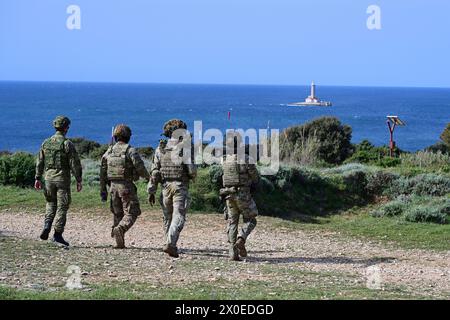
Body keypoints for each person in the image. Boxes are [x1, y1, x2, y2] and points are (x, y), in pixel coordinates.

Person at [147, 119, 197, 258]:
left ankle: (168, 242)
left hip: (165, 187)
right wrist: (193, 176)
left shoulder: (160, 148)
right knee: (178, 216)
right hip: (180, 186)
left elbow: (155, 171)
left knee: (167, 217)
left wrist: (151, 190)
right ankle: (171, 244)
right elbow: (191, 169)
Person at [35, 116, 83, 246]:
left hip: (48, 178)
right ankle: (57, 234)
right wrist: (79, 179)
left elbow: (39, 161)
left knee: (50, 203)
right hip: (62, 179)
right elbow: (74, 164)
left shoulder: (46, 142)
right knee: (63, 206)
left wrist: (37, 178)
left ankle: (47, 225)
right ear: (66, 128)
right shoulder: (67, 144)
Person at [100, 124, 150, 249]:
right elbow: (140, 167)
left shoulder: (109, 151)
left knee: (118, 213)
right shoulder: (130, 150)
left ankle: (119, 242)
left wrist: (103, 190)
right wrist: (149, 178)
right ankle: (120, 229)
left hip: (112, 187)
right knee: (132, 212)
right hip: (126, 186)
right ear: (128, 137)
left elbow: (102, 171)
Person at [220, 134, 259, 261]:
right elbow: (255, 177)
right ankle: (241, 239)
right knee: (251, 219)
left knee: (232, 222)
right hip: (243, 193)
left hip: (228, 194)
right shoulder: (246, 159)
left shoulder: (224, 160)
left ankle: (233, 253)